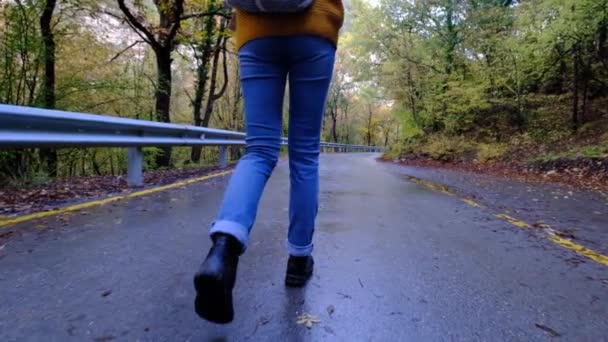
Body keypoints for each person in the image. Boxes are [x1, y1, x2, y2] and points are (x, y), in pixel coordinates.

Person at [193, 0, 344, 324]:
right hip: (315, 28)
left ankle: (223, 249)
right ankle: (298, 260)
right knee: (304, 155)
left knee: (259, 150)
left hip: (255, 31)